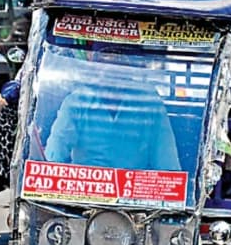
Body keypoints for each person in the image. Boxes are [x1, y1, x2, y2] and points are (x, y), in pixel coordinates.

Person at [44, 68, 182, 171]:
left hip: (135, 198)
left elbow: (166, 161)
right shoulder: (77, 100)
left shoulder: (148, 101)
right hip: (84, 193)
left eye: (118, 65)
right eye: (104, 68)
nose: (111, 77)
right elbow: (54, 155)